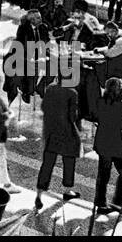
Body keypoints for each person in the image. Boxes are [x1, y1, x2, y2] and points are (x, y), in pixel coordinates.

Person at [91, 76, 122, 215]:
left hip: (103, 145)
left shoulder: (101, 102)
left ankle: (100, 203)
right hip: (117, 147)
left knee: (103, 175)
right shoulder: (119, 106)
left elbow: (94, 115)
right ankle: (117, 202)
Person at [35, 69, 82, 208]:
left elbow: (43, 107)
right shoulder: (72, 93)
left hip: (51, 131)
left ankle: (39, 193)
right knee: (69, 161)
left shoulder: (50, 88)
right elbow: (73, 116)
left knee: (47, 163)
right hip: (67, 132)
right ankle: (67, 190)